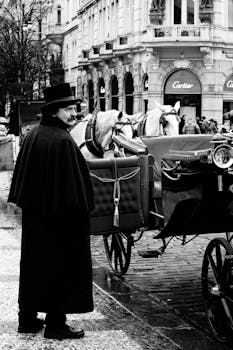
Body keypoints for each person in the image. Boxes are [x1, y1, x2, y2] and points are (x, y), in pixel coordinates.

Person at [8, 83, 95, 340]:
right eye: (68, 109)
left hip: (37, 218)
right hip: (61, 220)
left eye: (74, 108)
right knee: (62, 266)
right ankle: (56, 324)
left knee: (35, 265)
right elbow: (73, 187)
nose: (73, 114)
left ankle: (27, 319)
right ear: (54, 111)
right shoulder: (61, 140)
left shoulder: (36, 134)